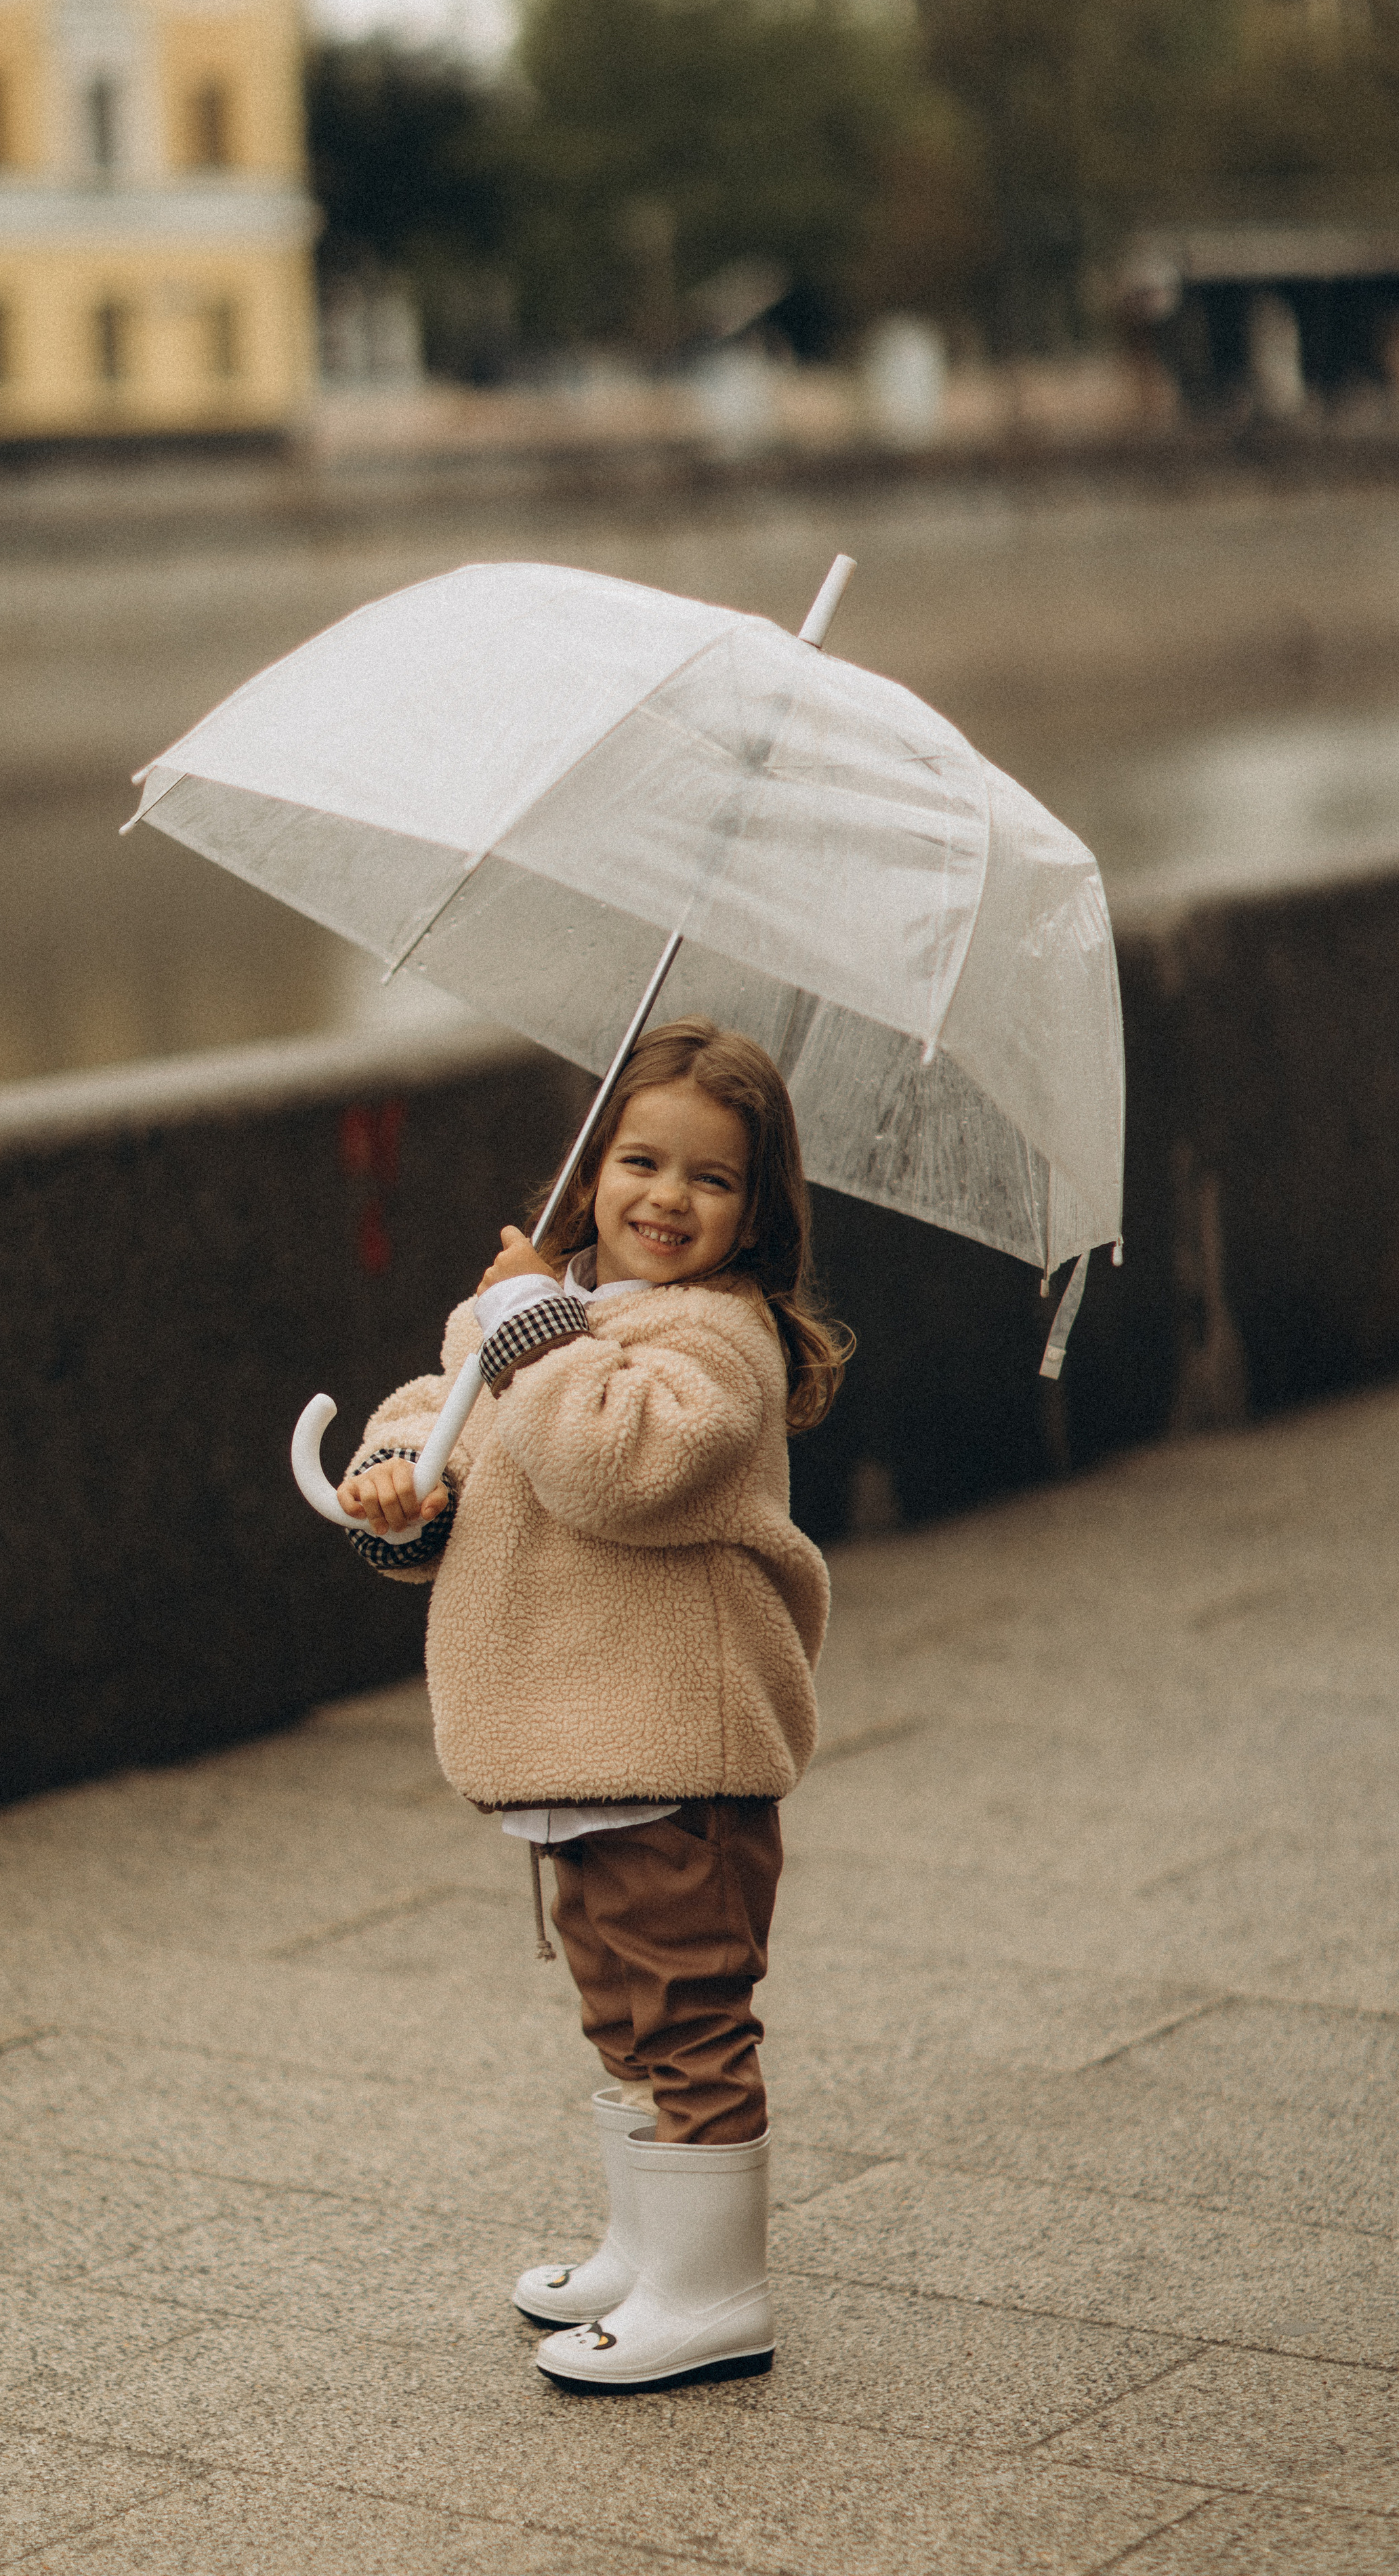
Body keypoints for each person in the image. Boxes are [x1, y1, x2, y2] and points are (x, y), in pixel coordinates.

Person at [337, 1017, 850, 2393]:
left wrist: (529, 1326)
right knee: (620, 2013)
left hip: (676, 1749)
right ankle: (648, 2249)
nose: (667, 1198)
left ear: (756, 1213)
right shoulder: (540, 1310)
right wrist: (401, 1484)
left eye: (710, 1179)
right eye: (640, 1161)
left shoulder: (720, 1341)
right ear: (589, 1168)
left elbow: (611, 1465)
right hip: (570, 1739)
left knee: (690, 2022)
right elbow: (449, 1421)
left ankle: (716, 2293)